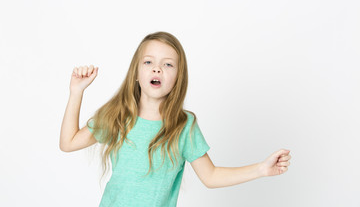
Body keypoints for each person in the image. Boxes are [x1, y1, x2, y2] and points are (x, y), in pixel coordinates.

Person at [59, 31, 291, 207]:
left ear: (177, 77)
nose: (157, 69)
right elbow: (68, 143)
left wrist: (261, 169)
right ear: (136, 73)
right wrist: (76, 92)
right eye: (148, 62)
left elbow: (210, 176)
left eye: (167, 64)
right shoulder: (118, 116)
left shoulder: (183, 127)